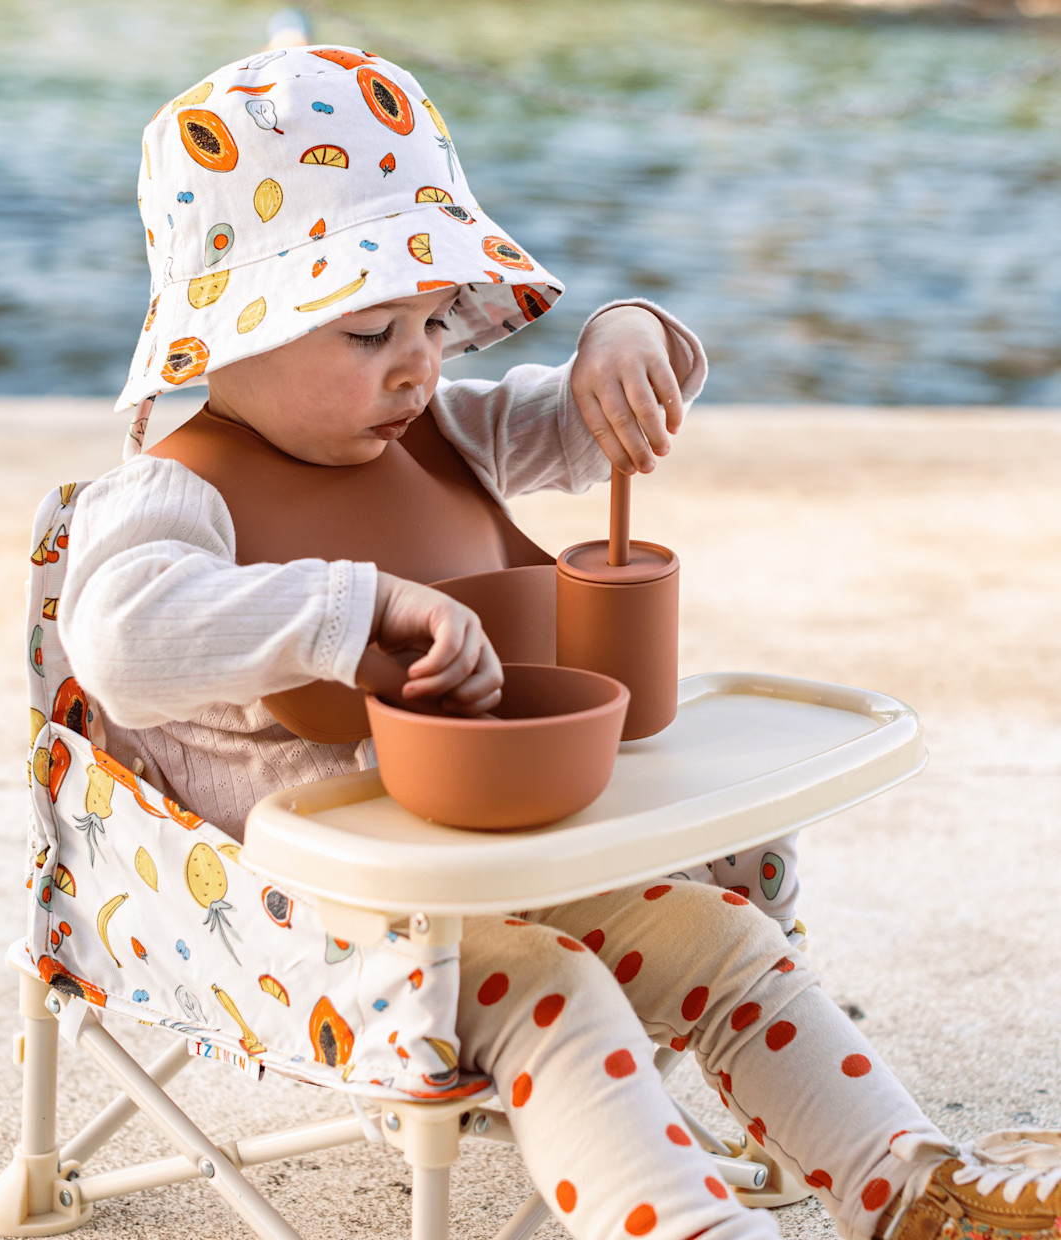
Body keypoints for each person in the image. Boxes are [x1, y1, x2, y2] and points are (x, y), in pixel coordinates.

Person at [58, 46, 1060, 1240]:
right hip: (318, 936)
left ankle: (904, 1186)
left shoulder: (438, 433)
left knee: (724, 939)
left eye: (434, 319)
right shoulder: (169, 499)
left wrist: (625, 338)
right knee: (557, 991)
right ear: (225, 335)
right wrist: (350, 612)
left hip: (520, 868)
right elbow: (120, 640)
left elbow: (585, 426)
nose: (420, 363)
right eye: (372, 330)